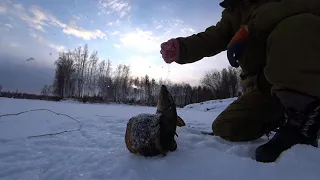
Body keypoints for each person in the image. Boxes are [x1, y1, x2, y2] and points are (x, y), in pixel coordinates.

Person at [160, 0, 320, 163]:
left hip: (306, 79)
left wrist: (250, 28)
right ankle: (287, 116)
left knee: (297, 25)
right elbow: (213, 37)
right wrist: (182, 48)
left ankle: (304, 120)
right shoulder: (233, 11)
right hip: (265, 89)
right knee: (227, 127)